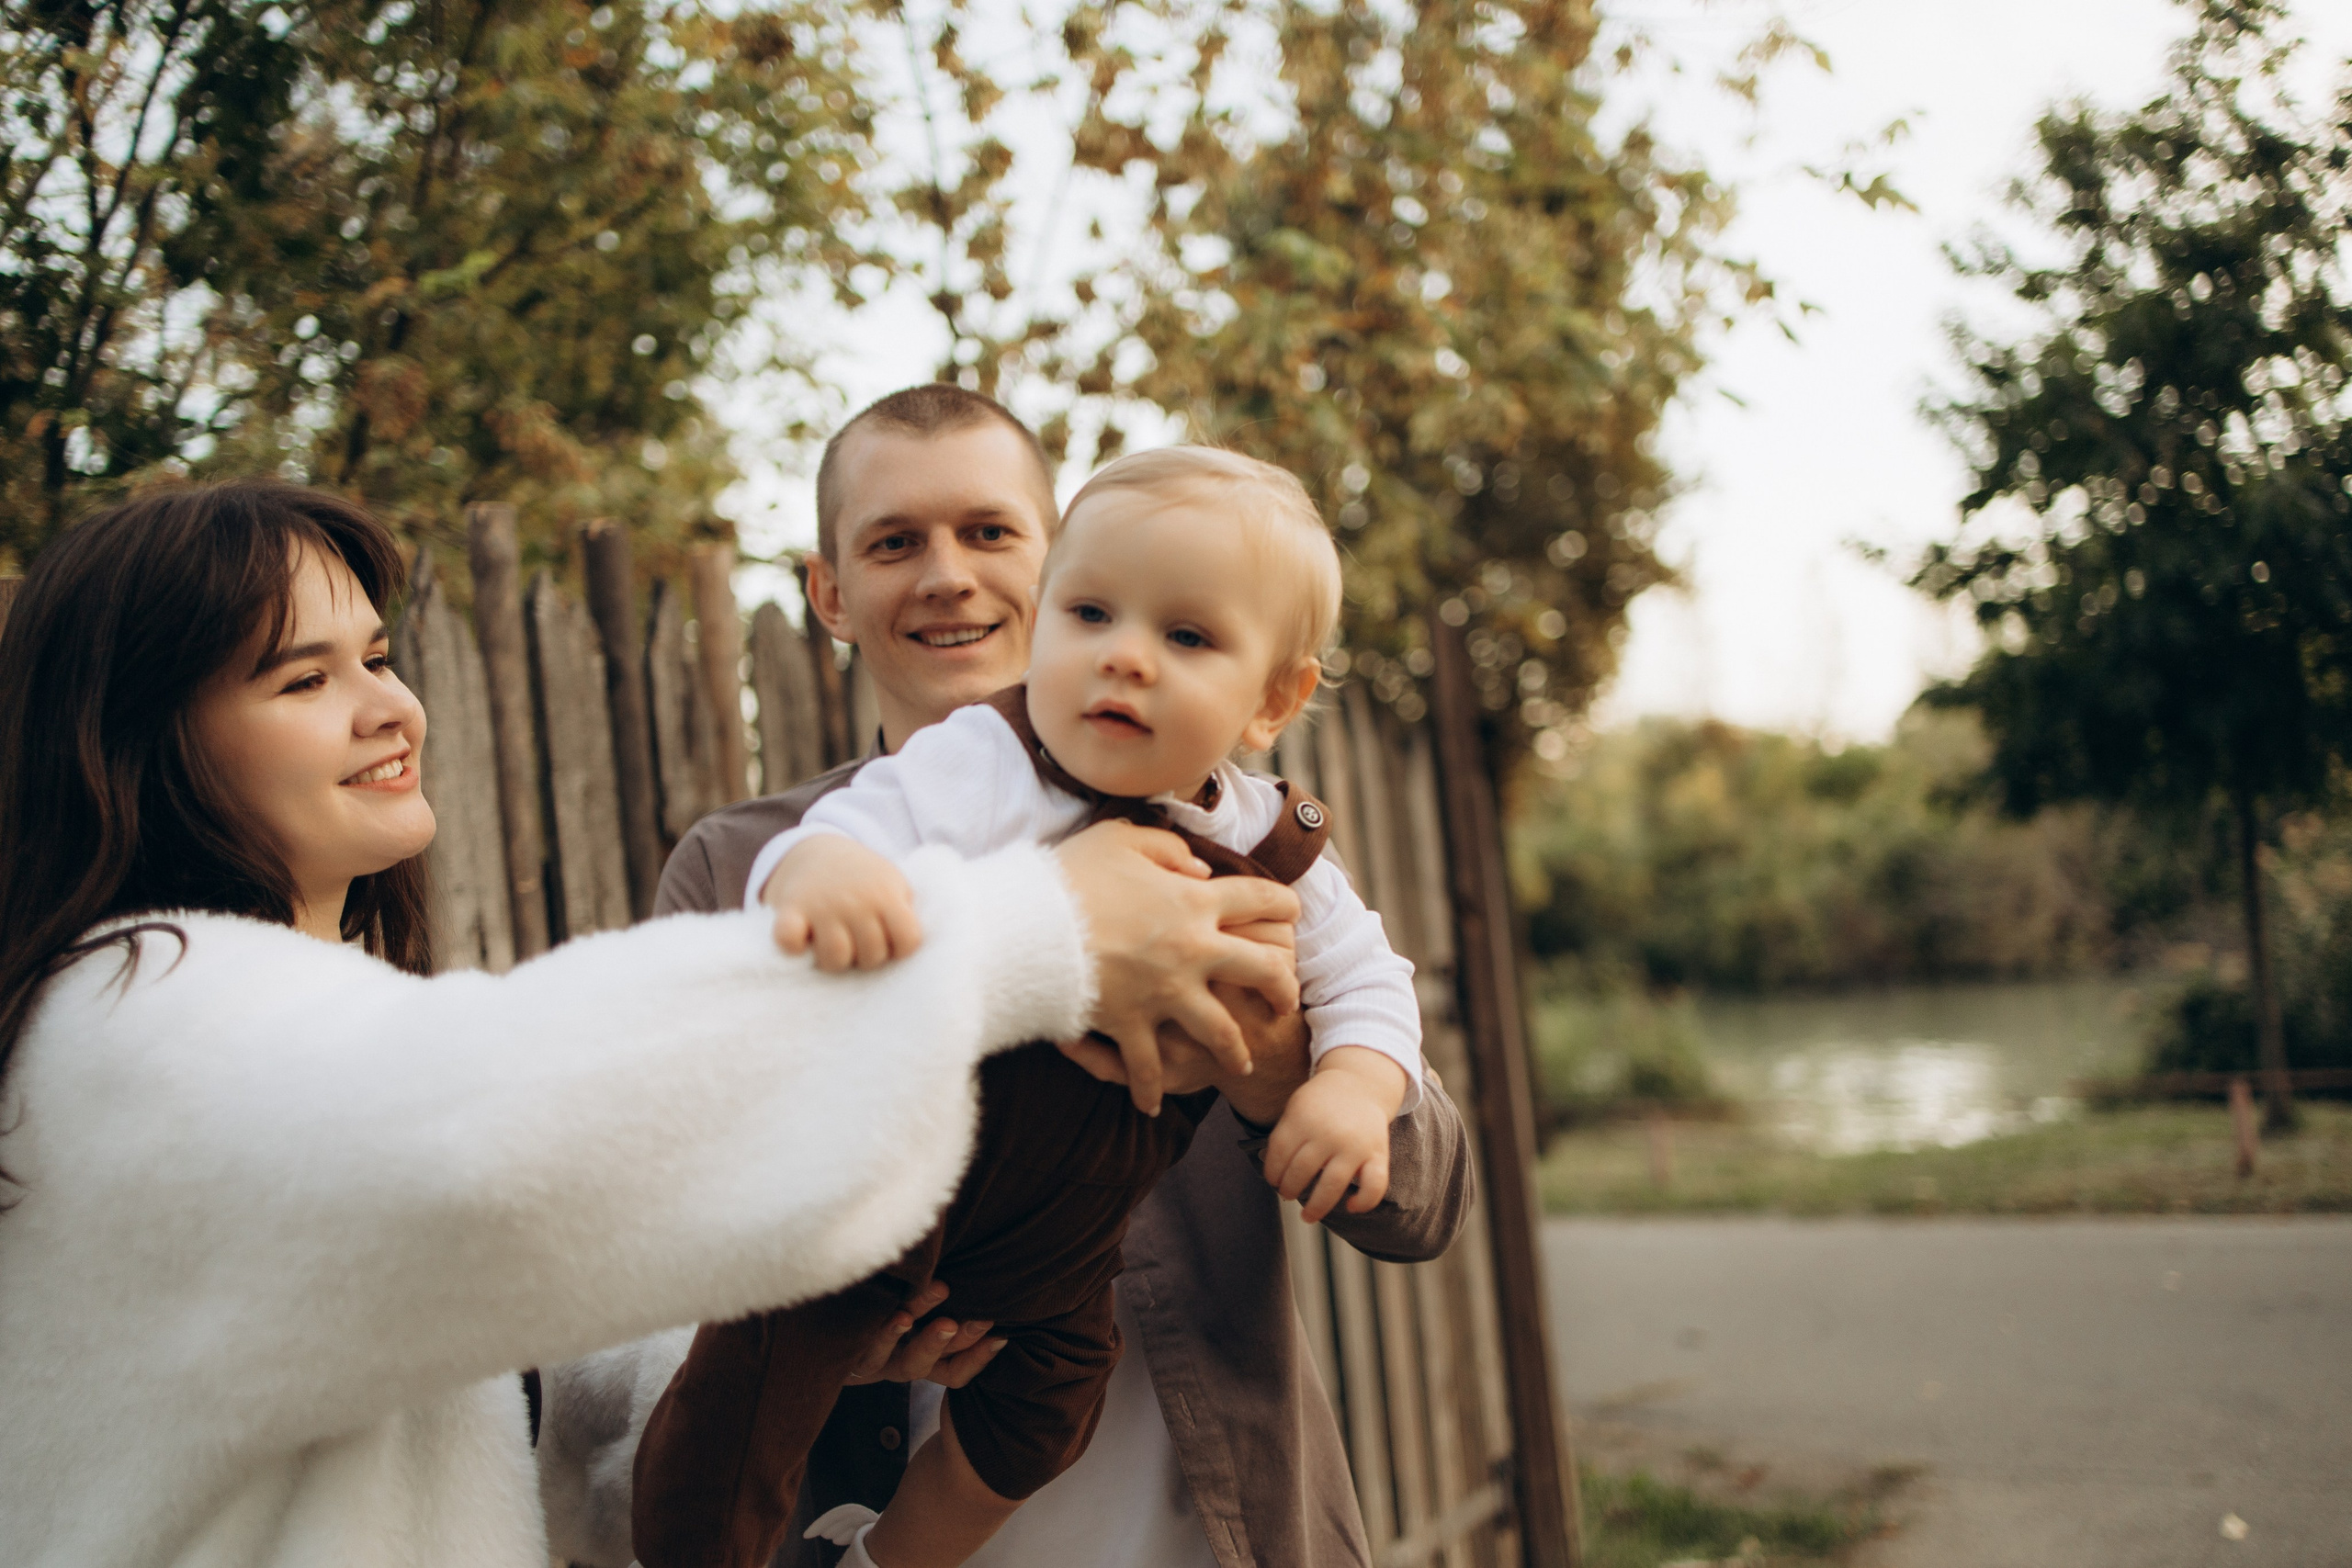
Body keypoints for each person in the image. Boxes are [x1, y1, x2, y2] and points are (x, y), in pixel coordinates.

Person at [0, 479, 1301, 1568]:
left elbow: (533, 1435)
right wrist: (1035, 934)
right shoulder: (127, 1019)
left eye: (380, 659)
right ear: (138, 742)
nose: (390, 708)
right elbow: (486, 1143)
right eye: (301, 679)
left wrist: (791, 1340)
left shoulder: (303, 1014)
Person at [575, 385, 1474, 1568]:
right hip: (869, 1510)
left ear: (1045, 560)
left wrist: (1273, 1066)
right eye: (895, 542)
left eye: (990, 532)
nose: (948, 574)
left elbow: (1427, 1198)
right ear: (830, 592)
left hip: (1201, 1527)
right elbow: (678, 1216)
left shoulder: (1251, 842)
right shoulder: (740, 863)